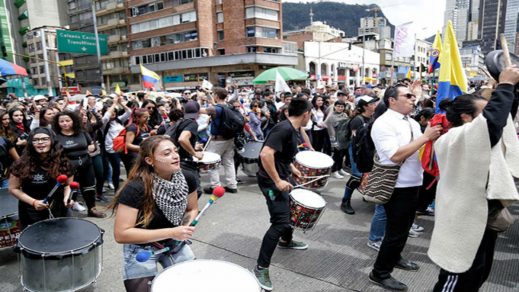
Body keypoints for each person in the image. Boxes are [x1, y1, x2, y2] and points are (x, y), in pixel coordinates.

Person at [429, 66, 519, 292]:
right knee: (457, 277)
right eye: (483, 112)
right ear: (466, 117)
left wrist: (508, 90)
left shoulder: (476, 135)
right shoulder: (453, 138)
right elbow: (492, 123)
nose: (491, 116)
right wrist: (506, 85)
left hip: (482, 220)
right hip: (462, 222)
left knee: (477, 274)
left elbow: (502, 120)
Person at [368, 85, 442, 291]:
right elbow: (395, 156)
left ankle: (395, 257)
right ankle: (380, 272)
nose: (413, 99)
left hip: (414, 182)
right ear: (392, 100)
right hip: (396, 186)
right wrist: (425, 137)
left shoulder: (411, 122)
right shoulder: (383, 123)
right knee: (396, 231)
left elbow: (420, 149)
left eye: (413, 96)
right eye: (407, 96)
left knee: (404, 227)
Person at [111, 136, 198, 292]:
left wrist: (185, 227)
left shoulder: (188, 177)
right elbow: (121, 234)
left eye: (175, 151)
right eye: (166, 153)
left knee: (192, 285)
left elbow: (192, 209)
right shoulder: (136, 188)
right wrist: (173, 231)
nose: (175, 155)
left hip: (174, 242)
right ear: (150, 161)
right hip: (141, 247)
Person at [254, 98, 311, 291]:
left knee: (291, 208)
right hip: (271, 181)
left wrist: (292, 168)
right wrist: (278, 181)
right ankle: (261, 267)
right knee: (280, 221)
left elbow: (280, 155)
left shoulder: (292, 129)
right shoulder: (284, 129)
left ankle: (286, 241)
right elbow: (265, 155)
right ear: (306, 114)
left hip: (281, 176)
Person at [8, 128, 73, 230]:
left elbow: (68, 185)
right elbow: (13, 188)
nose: (40, 142)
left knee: (63, 240)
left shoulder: (63, 161)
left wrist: (67, 198)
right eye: (36, 140)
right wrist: (34, 202)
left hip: (59, 208)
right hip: (31, 210)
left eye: (45, 139)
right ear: (30, 143)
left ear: (52, 141)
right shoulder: (20, 164)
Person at [53, 111, 106, 218]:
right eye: (61, 121)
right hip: (67, 167)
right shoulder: (55, 135)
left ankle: (92, 209)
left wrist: (92, 147)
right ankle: (67, 212)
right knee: (71, 189)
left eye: (67, 120)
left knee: (89, 187)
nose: (65, 123)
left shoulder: (82, 132)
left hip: (86, 164)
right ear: (57, 123)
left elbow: (92, 144)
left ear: (73, 121)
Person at [340, 95, 378, 214]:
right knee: (356, 176)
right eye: (372, 104)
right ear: (365, 106)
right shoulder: (358, 120)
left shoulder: (371, 117)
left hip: (367, 149)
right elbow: (356, 140)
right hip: (357, 149)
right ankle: (345, 202)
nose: (375, 105)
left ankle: (366, 194)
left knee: (367, 174)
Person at [201, 87, 238, 194]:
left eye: (213, 94)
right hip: (230, 139)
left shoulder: (216, 109)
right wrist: (208, 94)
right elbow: (213, 103)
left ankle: (215, 186)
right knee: (229, 162)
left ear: (217, 96)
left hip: (217, 140)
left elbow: (197, 110)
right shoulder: (229, 107)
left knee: (213, 162)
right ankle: (232, 185)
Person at [102, 95, 131, 192]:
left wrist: (120, 103)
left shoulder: (119, 120)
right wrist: (114, 103)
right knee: (117, 170)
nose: (112, 112)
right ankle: (116, 191)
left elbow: (129, 112)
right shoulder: (104, 123)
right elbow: (106, 117)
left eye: (114, 111)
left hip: (123, 148)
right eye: (111, 111)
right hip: (112, 149)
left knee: (129, 167)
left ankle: (128, 188)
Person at [122, 108, 151, 173]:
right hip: (133, 158)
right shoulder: (132, 128)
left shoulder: (147, 127)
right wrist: (142, 149)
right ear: (137, 118)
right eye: (145, 117)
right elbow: (128, 145)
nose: (148, 119)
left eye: (149, 116)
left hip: (143, 155)